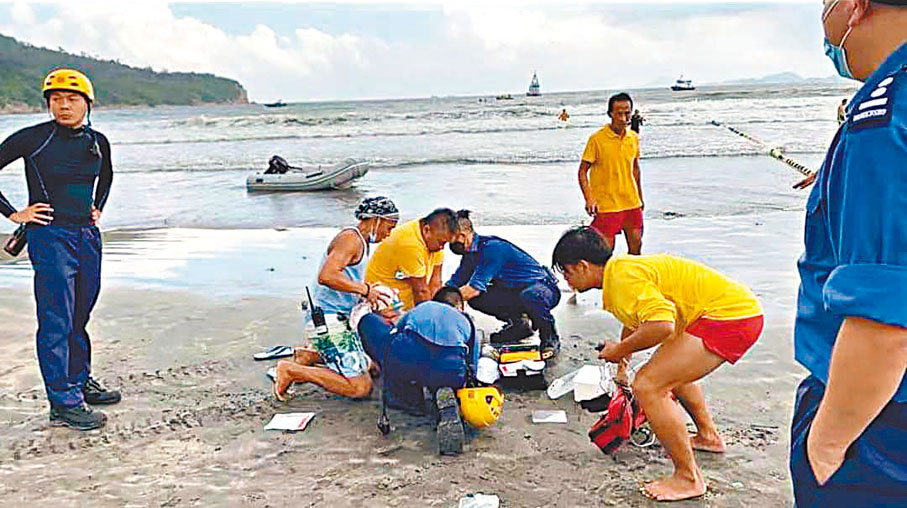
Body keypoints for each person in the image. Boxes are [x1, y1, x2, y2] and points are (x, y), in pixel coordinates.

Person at [790, 1, 907, 506]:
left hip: (881, 420)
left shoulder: (884, 116)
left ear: (855, 6)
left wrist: (827, 443)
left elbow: (885, 316)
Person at [552, 227, 764, 502]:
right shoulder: (621, 271)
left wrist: (619, 350)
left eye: (567, 272)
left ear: (583, 266)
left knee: (648, 386)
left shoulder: (623, 280)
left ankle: (688, 478)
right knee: (669, 371)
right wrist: (621, 366)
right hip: (734, 311)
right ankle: (708, 436)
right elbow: (636, 322)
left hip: (729, 318)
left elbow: (662, 326)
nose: (567, 280)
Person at [0, 69, 120, 430]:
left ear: (87, 103)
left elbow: (106, 176)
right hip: (50, 237)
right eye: (55, 99)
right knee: (57, 319)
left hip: (87, 236)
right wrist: (14, 213)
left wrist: (98, 207)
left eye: (71, 99)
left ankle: (79, 382)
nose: (63, 105)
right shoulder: (33, 138)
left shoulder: (98, 141)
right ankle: (63, 402)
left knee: (80, 313)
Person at [272, 197, 399, 401]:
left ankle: (310, 355)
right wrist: (365, 290)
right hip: (326, 319)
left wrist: (369, 296)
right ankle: (290, 370)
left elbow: (347, 278)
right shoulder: (351, 239)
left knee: (375, 367)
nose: (388, 234)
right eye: (389, 227)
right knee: (360, 387)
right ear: (376, 219)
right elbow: (327, 276)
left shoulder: (363, 242)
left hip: (341, 316)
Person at [357, 287, 479, 452]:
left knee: (371, 323)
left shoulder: (423, 307)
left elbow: (396, 333)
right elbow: (473, 363)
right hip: (450, 370)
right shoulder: (467, 321)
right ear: (461, 307)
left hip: (408, 361)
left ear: (435, 301)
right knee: (446, 365)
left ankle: (409, 400)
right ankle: (445, 396)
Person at [447, 210, 562, 358]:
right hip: (515, 291)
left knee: (530, 296)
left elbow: (473, 289)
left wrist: (446, 304)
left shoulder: (493, 248)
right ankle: (519, 326)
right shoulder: (470, 255)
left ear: (462, 235)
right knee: (477, 299)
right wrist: (433, 300)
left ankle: (550, 337)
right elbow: (454, 284)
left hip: (543, 288)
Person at [578, 92, 644, 254]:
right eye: (619, 113)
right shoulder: (597, 139)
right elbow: (582, 171)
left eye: (627, 113)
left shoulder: (633, 138)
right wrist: (589, 199)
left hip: (631, 202)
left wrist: (640, 198)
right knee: (604, 252)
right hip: (606, 204)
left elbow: (635, 169)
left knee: (636, 247)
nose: (623, 118)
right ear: (610, 114)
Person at [365, 208, 458, 310]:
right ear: (426, 230)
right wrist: (429, 315)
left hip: (405, 298)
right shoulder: (410, 244)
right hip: (383, 300)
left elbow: (435, 282)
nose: (442, 247)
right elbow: (421, 291)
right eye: (441, 242)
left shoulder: (434, 240)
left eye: (445, 243)